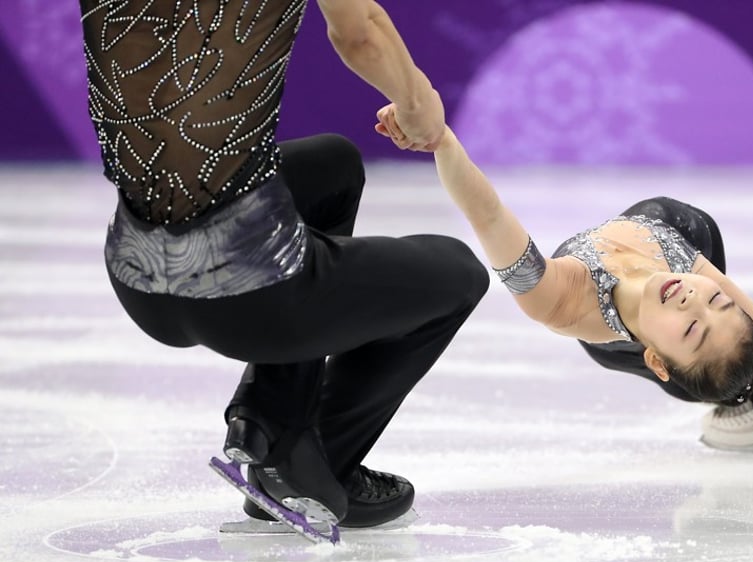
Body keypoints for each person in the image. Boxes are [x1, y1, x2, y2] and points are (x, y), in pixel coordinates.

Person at [79, 0, 489, 534]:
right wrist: (418, 103)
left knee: (333, 166)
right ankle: (311, 464)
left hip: (136, 276)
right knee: (459, 273)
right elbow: (360, 33)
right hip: (251, 296)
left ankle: (271, 417)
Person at [375, 110, 753, 443]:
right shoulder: (700, 278)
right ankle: (750, 388)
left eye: (692, 328)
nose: (695, 300)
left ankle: (751, 400)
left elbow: (489, 217)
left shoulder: (560, 302)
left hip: (631, 340)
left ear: (655, 358)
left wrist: (440, 141)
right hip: (687, 227)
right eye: (717, 303)